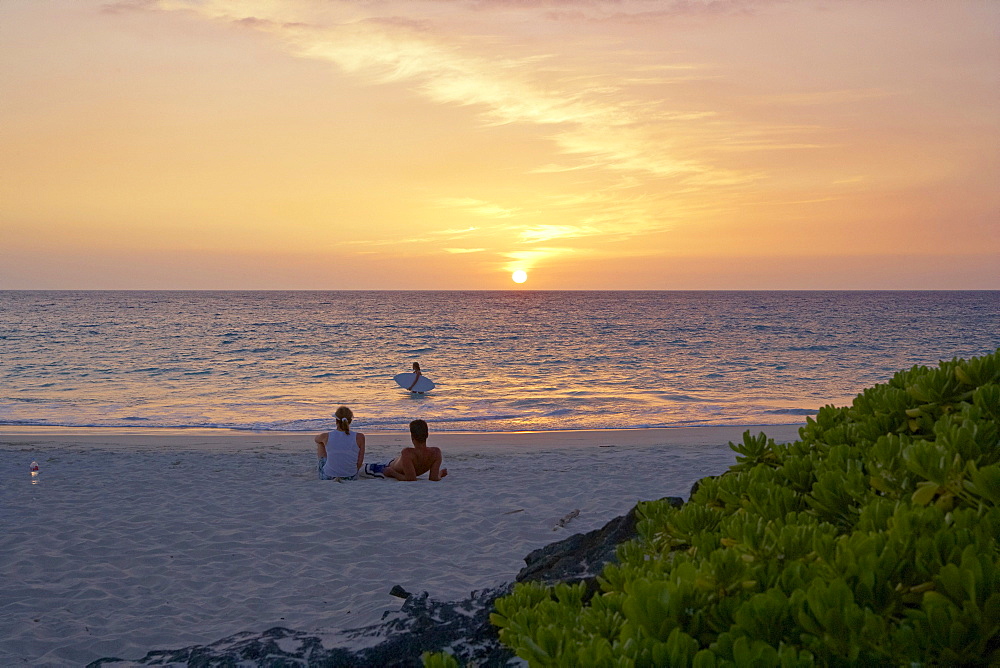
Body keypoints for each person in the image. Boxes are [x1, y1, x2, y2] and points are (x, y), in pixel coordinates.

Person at [366, 419, 448, 481]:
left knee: (361, 469)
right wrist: (440, 473)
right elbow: (434, 478)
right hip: (392, 463)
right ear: (427, 435)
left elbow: (411, 479)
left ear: (412, 437)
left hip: (388, 467)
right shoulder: (435, 453)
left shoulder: (408, 453)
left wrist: (392, 473)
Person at [315, 406, 365, 481]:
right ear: (350, 421)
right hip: (351, 476)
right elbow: (359, 462)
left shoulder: (326, 436)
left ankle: (330, 465)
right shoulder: (360, 437)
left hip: (328, 475)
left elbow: (316, 439)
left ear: (336, 421)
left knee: (321, 443)